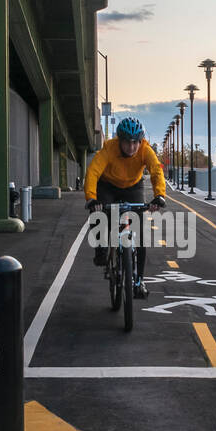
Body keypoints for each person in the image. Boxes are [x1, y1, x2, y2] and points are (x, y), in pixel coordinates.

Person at [84, 117, 166, 297]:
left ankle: (139, 282)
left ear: (141, 141)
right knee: (100, 215)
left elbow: (156, 172)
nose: (132, 147)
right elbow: (93, 172)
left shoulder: (146, 150)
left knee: (141, 234)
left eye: (135, 142)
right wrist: (91, 198)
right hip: (108, 186)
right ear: (119, 140)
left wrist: (159, 195)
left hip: (133, 186)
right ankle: (101, 248)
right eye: (127, 142)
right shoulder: (109, 148)